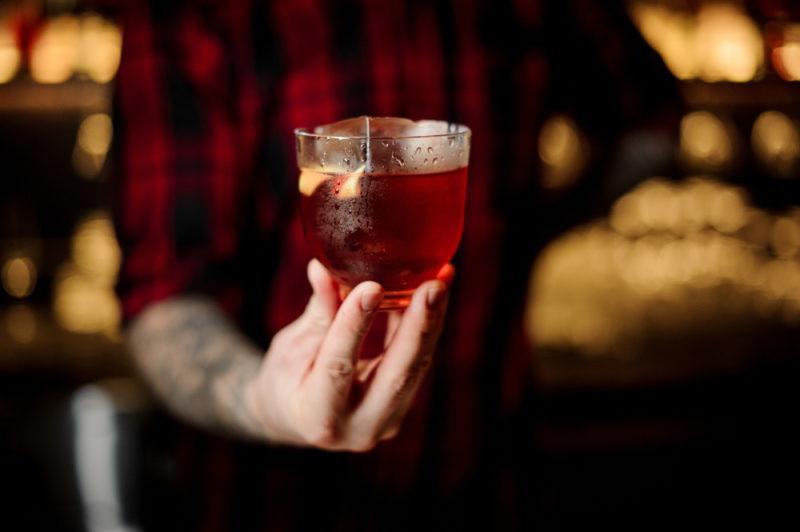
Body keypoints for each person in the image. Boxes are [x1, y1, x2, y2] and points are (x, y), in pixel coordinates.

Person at [114, 0, 677, 529]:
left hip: (485, 472)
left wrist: (541, 224)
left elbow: (651, 114)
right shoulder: (197, 11)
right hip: (271, 497)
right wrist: (265, 400)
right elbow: (164, 291)